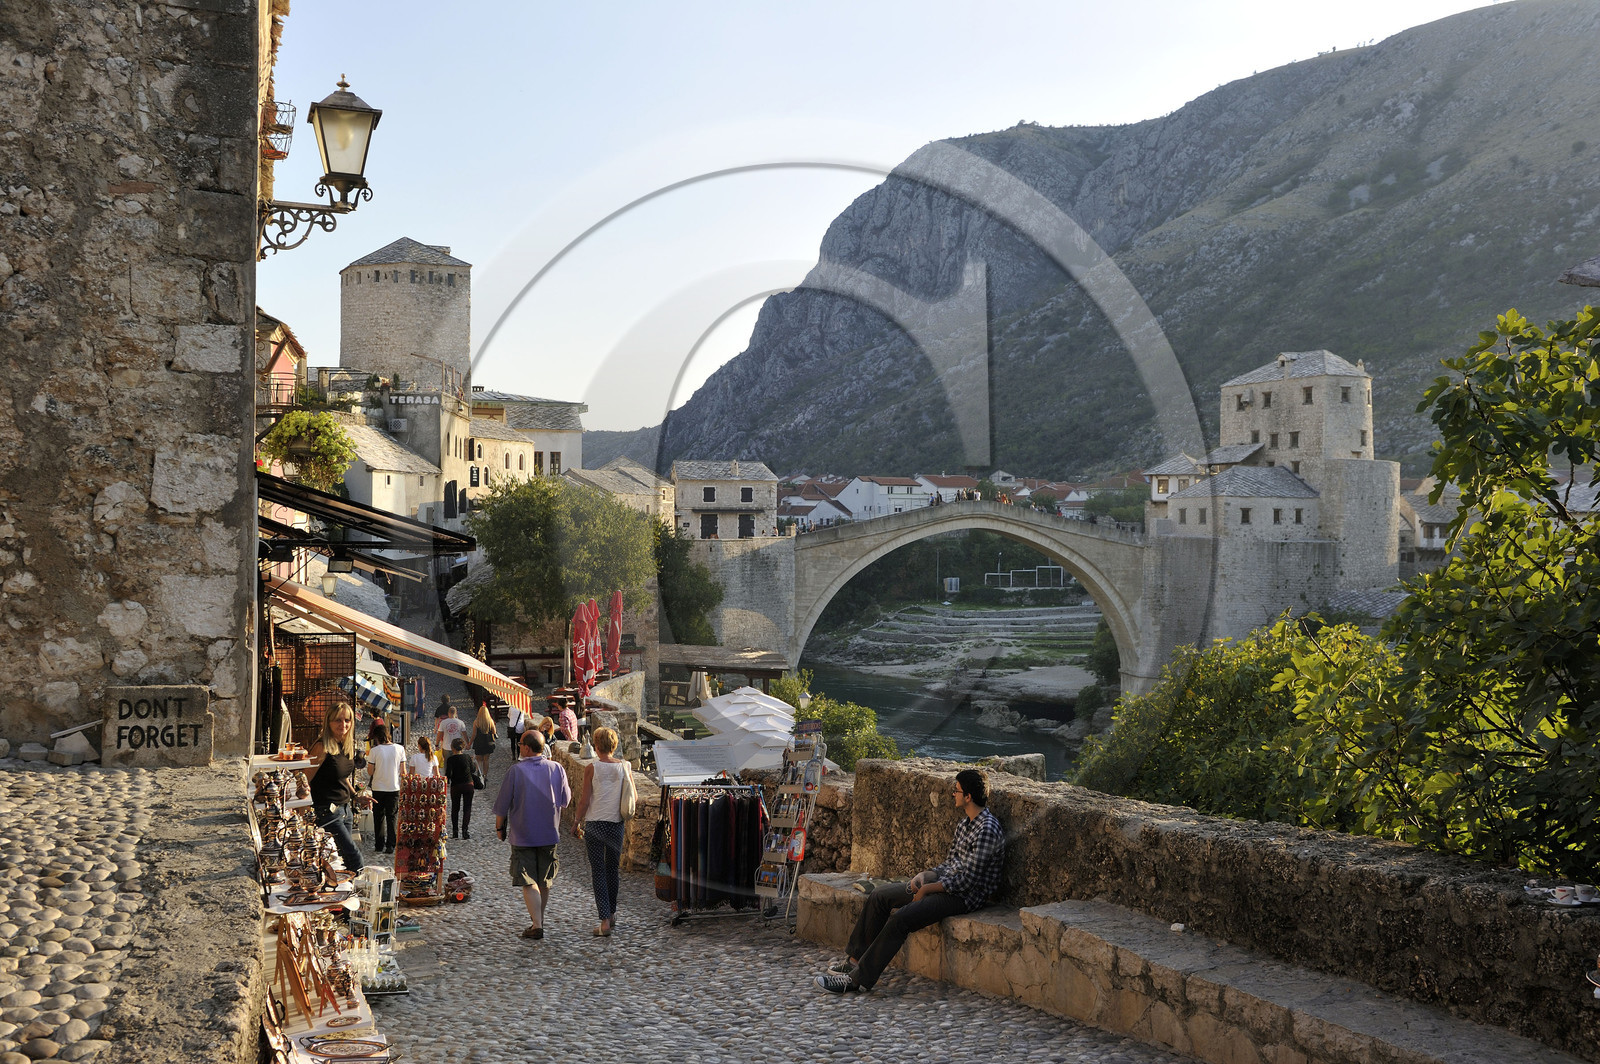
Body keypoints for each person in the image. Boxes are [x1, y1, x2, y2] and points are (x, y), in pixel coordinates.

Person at [814, 768, 1004, 994]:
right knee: (879, 896)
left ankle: (856, 980)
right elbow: (950, 864)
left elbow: (969, 880)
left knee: (901, 919)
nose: (953, 794)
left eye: (956, 790)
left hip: (963, 897)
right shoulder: (965, 825)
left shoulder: (987, 829)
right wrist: (925, 876)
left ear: (968, 796)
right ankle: (854, 961)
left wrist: (927, 890)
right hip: (944, 885)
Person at [491, 729, 571, 940]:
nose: (519, 748)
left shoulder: (516, 771)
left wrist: (500, 829)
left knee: (528, 880)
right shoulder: (557, 768)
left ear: (526, 747)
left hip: (523, 834)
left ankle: (537, 925)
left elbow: (502, 806)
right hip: (549, 832)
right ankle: (539, 921)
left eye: (520, 745)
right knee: (544, 881)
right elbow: (566, 800)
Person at [572, 726, 631, 937]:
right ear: (614, 745)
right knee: (612, 870)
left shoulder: (592, 768)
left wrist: (576, 821)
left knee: (598, 871)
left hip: (595, 824)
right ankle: (612, 913)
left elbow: (585, 799)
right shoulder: (625, 766)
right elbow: (630, 796)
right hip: (616, 824)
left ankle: (604, 921)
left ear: (596, 745)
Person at [304, 705, 373, 876]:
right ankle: (355, 895)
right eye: (338, 720)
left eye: (347, 720)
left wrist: (356, 796)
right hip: (326, 812)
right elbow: (305, 780)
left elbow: (342, 778)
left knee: (341, 861)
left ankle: (344, 897)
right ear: (328, 722)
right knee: (354, 859)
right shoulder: (322, 747)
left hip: (345, 811)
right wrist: (301, 813)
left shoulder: (345, 745)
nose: (343, 724)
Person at [365, 720, 405, 855]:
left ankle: (379, 844)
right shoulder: (400, 749)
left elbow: (370, 771)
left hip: (378, 787)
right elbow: (403, 771)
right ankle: (391, 845)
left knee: (379, 816)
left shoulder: (374, 751)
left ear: (377, 738)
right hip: (393, 787)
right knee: (392, 817)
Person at [444, 737, 476, 840]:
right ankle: (465, 831)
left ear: (452, 748)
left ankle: (455, 831)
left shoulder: (450, 760)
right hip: (468, 784)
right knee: (467, 808)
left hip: (456, 786)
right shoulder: (467, 757)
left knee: (455, 808)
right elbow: (473, 770)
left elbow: (448, 774)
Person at [436, 703, 468, 769]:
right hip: (458, 746)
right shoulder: (460, 722)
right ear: (456, 713)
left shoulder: (443, 722)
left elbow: (439, 735)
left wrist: (437, 744)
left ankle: (447, 777)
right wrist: (468, 743)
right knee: (457, 764)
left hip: (446, 746)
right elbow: (465, 734)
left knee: (447, 764)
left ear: (448, 713)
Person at [471, 703, 497, 778]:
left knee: (479, 760)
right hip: (488, 742)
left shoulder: (476, 722)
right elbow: (494, 732)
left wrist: (470, 743)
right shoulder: (490, 721)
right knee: (486, 760)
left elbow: (474, 734)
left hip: (479, 742)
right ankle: (485, 775)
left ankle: (479, 773)